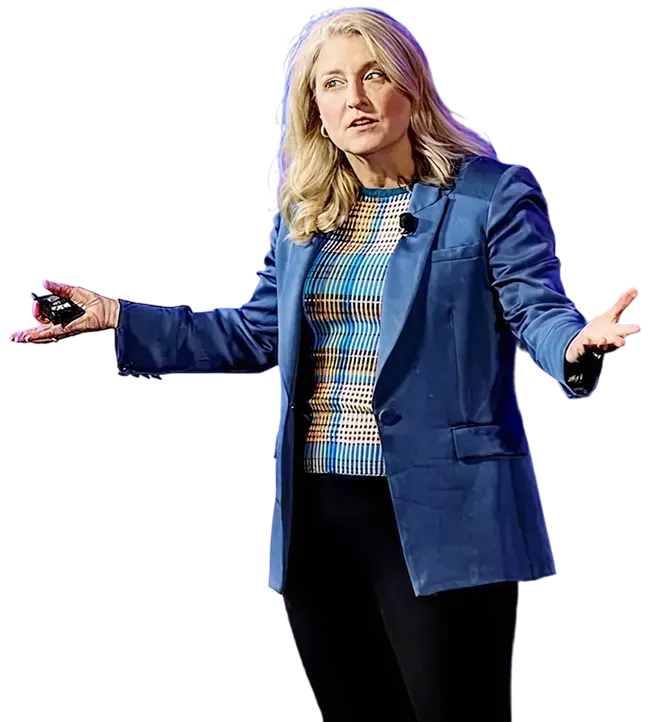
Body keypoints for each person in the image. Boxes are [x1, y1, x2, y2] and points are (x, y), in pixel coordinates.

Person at [8, 6, 641, 720]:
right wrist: (119, 318)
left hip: (445, 513)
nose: (355, 99)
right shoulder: (306, 214)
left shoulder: (487, 196)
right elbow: (254, 333)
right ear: (314, 106)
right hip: (319, 516)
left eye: (374, 76)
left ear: (412, 86)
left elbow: (536, 310)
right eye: (333, 83)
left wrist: (574, 345)